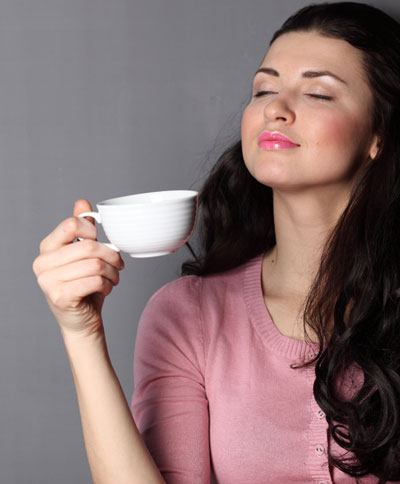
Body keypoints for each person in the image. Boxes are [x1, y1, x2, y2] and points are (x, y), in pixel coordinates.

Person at [32, 2, 400, 483]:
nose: (275, 108)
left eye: (317, 93)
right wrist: (81, 335)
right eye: (264, 88)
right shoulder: (189, 316)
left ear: (378, 134)